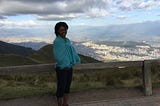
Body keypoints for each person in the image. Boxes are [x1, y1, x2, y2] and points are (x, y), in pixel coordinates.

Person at [53, 22, 81, 106]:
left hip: (69, 67)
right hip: (62, 68)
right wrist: (64, 63)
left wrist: (75, 59)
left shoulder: (67, 40)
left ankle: (65, 104)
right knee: (61, 88)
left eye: (65, 29)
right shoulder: (57, 41)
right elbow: (58, 55)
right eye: (61, 30)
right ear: (57, 31)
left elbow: (72, 51)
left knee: (67, 87)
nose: (64, 31)